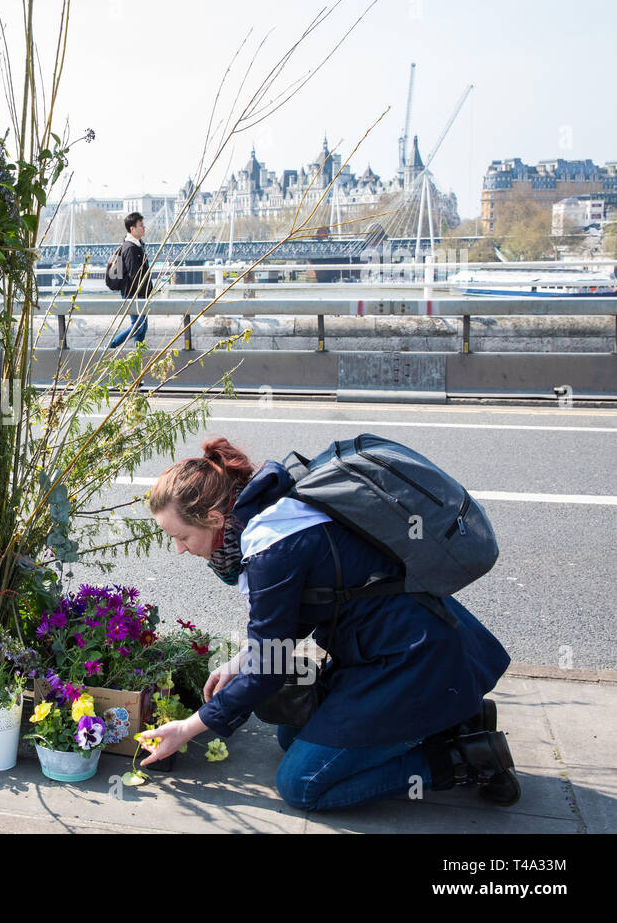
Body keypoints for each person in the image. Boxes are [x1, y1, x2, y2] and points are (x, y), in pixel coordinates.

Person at [138, 436, 520, 811]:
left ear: (215, 518)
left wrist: (189, 727)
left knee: (302, 785)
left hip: (411, 661)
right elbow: (296, 616)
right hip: (393, 643)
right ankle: (459, 717)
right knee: (292, 733)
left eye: (181, 536)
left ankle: (464, 759)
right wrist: (239, 661)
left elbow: (270, 668)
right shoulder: (276, 511)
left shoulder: (272, 546)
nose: (180, 549)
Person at [108, 212, 151, 349]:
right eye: (141, 225)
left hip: (139, 294)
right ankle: (110, 347)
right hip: (133, 294)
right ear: (132, 229)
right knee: (138, 326)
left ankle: (138, 354)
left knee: (142, 327)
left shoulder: (137, 245)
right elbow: (135, 274)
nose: (144, 228)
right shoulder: (130, 248)